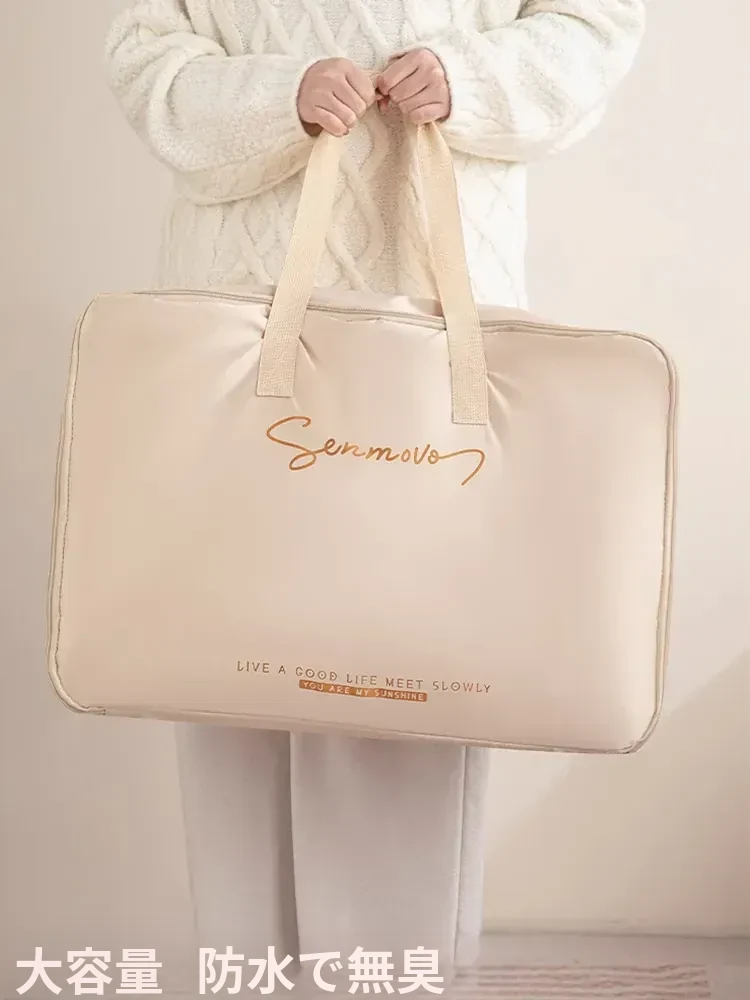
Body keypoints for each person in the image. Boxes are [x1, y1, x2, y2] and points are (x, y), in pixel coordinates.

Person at [104, 0, 646, 985]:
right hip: (233, 319)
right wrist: (275, 96)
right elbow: (146, 50)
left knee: (410, 662)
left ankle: (386, 973)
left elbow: (593, 24)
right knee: (224, 655)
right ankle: (249, 968)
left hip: (439, 315)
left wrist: (468, 78)